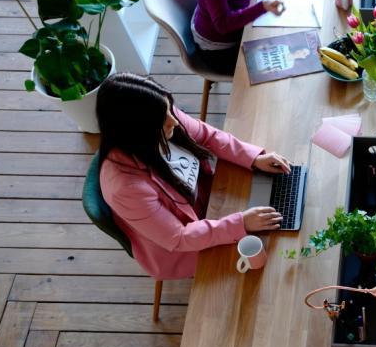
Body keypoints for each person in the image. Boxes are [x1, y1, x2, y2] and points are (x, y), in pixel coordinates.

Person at [97, 73, 292, 280]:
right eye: (164, 120)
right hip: (183, 247)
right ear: (137, 131)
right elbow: (179, 237)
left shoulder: (160, 114)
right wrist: (240, 223)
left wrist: (254, 158)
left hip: (211, 202)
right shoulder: (126, 189)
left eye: (170, 109)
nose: (174, 120)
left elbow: (208, 136)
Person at [191, 0, 285, 75]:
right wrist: (262, 7)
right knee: (276, 72)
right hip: (220, 50)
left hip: (240, 26)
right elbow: (222, 23)